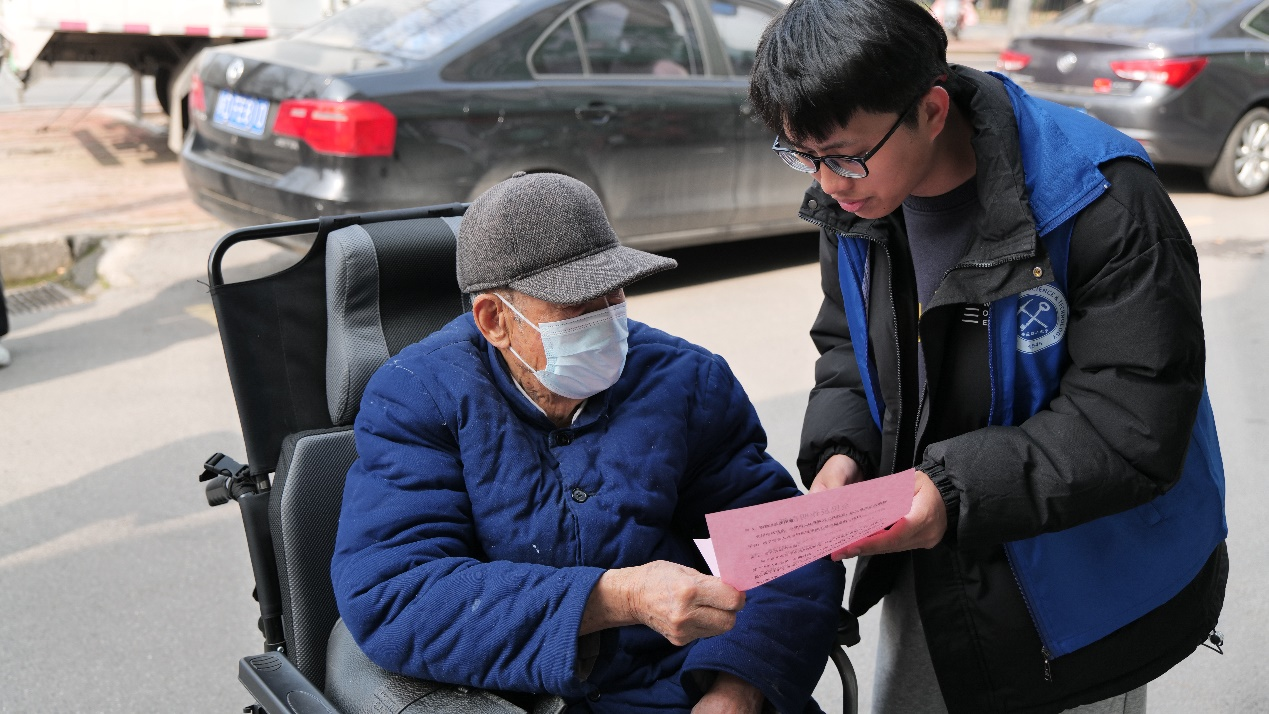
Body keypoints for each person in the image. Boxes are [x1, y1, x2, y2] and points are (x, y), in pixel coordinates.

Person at [747, 1, 1228, 713]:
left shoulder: (1101, 198)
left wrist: (950, 493)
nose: (827, 183)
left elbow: (1131, 423)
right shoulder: (857, 198)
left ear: (932, 110)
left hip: (1081, 586)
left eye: (844, 155)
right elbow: (849, 342)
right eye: (803, 156)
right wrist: (842, 452)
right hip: (936, 547)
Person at [330, 172, 845, 714]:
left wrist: (737, 689)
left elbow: (784, 542)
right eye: (577, 304)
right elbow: (395, 595)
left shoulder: (686, 380)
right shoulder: (417, 397)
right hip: (517, 697)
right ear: (494, 320)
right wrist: (616, 598)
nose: (606, 320)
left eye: (614, 293)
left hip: (685, 681)